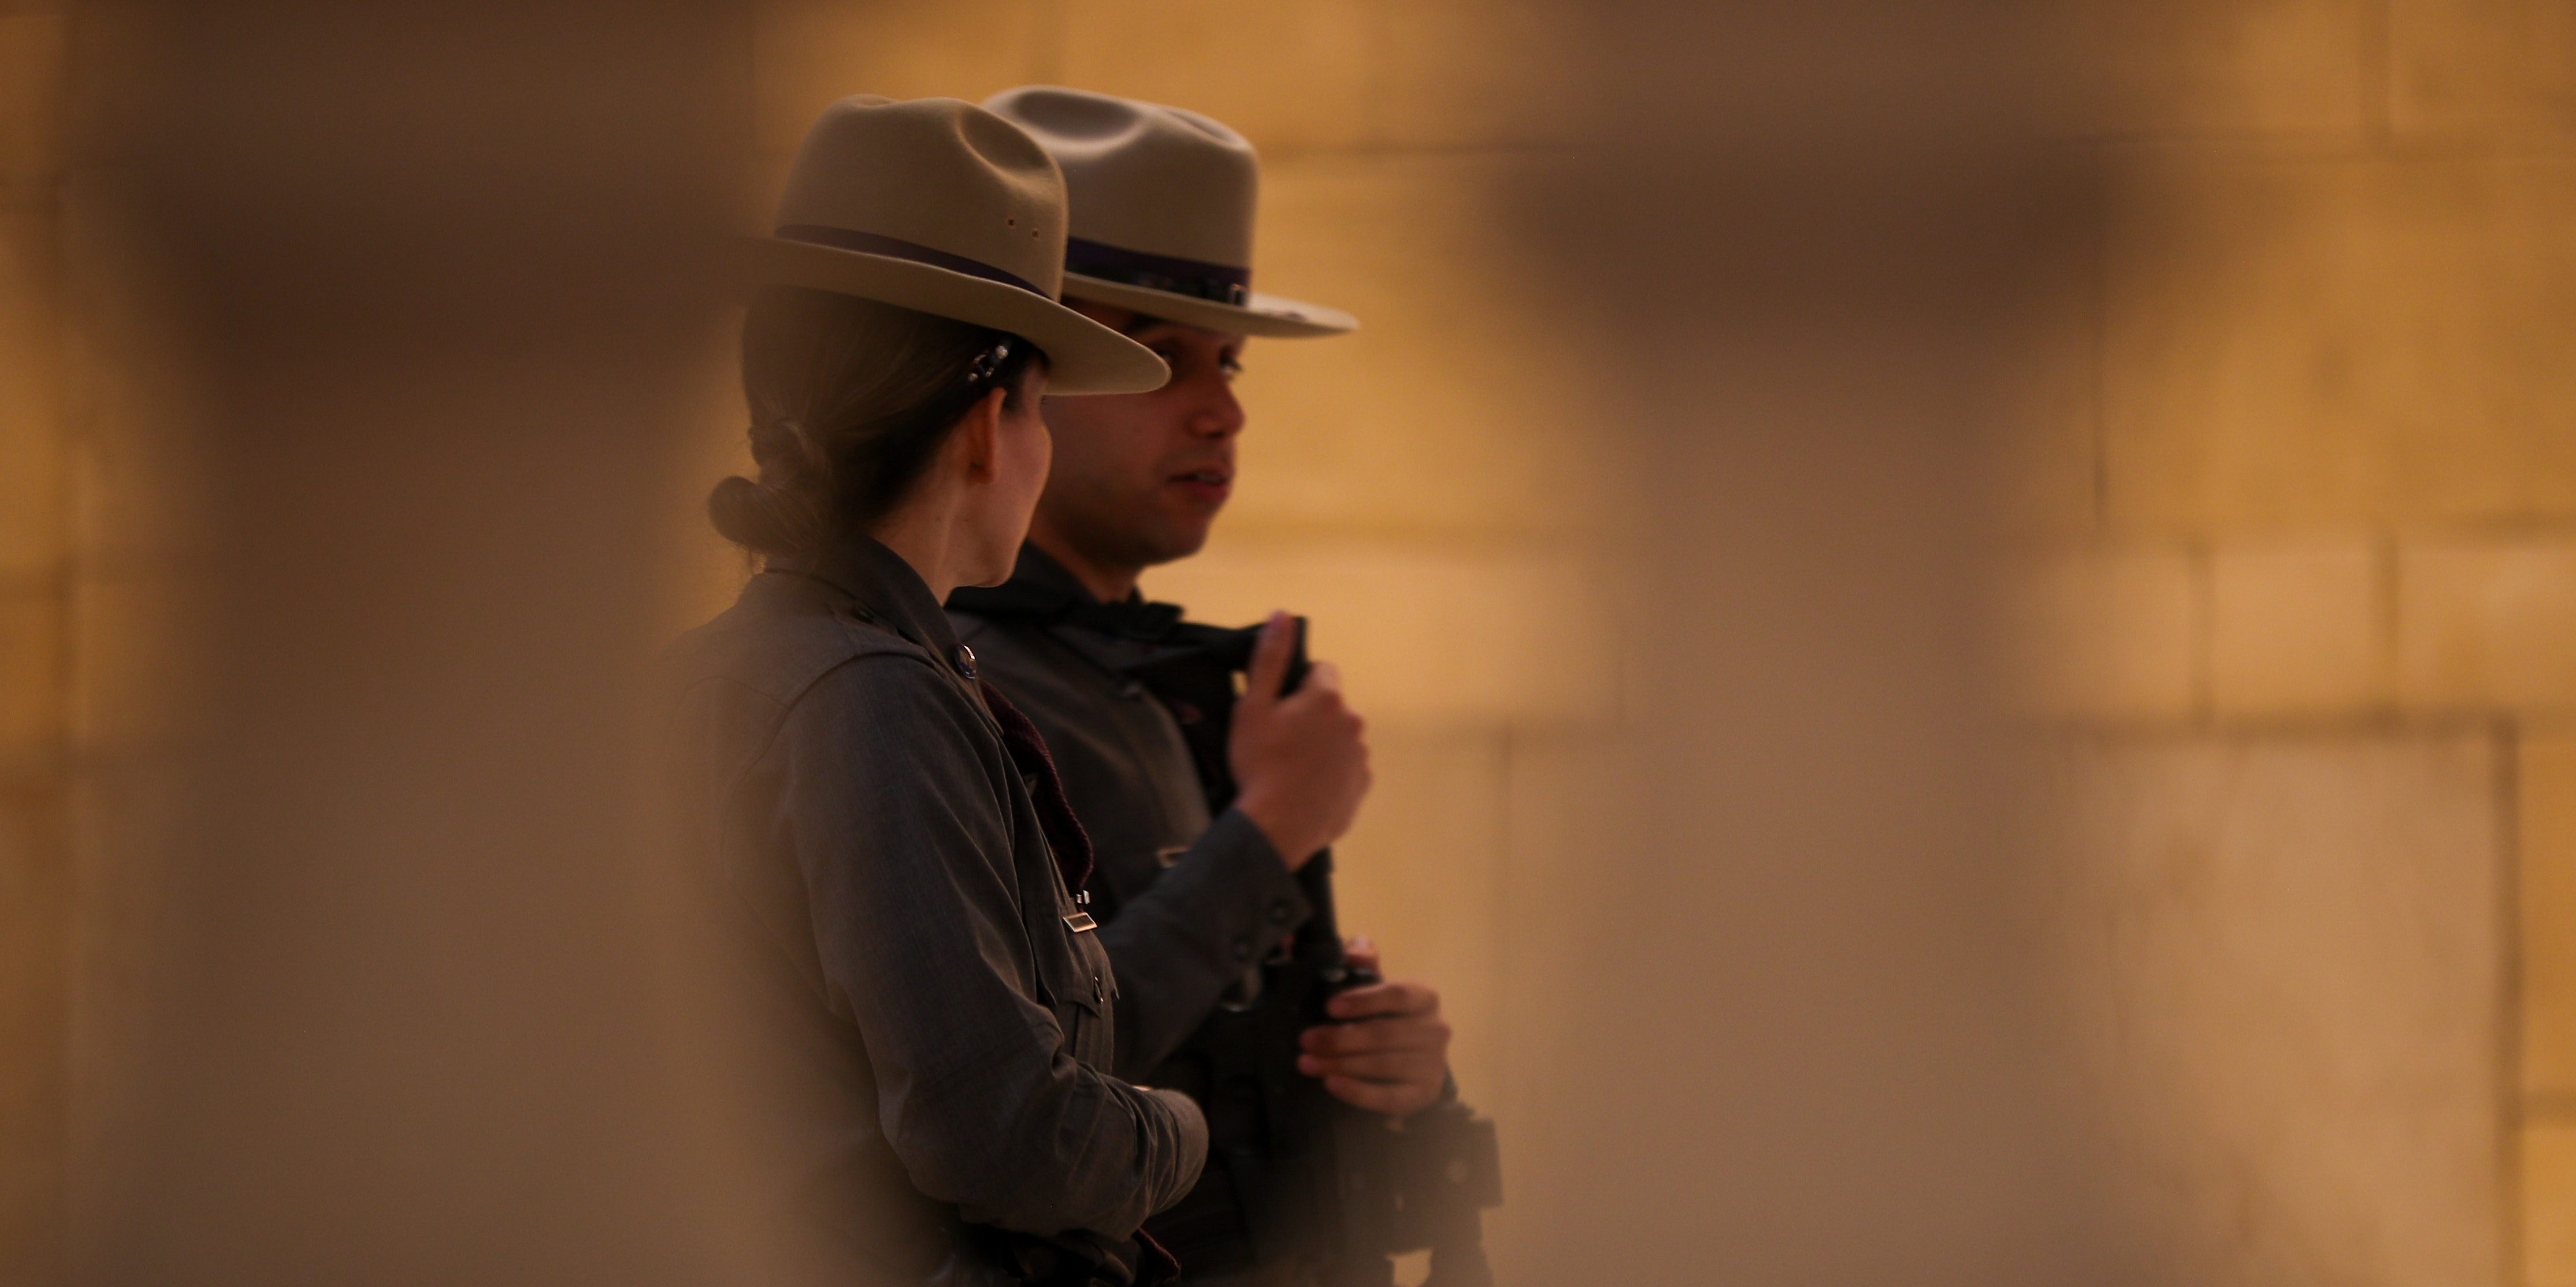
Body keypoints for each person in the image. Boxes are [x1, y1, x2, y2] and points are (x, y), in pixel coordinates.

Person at [667, 95, 1204, 1286]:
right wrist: (1176, 1132)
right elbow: (1004, 1135)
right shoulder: (874, 701)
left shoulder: (712, 675)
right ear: (982, 425)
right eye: (1044, 408)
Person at [946, 87, 1469, 1286]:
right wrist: (1273, 825)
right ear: (1017, 375)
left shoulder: (1158, 680)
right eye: (1156, 355)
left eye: (1227, 361)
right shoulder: (937, 685)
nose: (1223, 407)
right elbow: (1015, 1093)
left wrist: (1385, 1064)